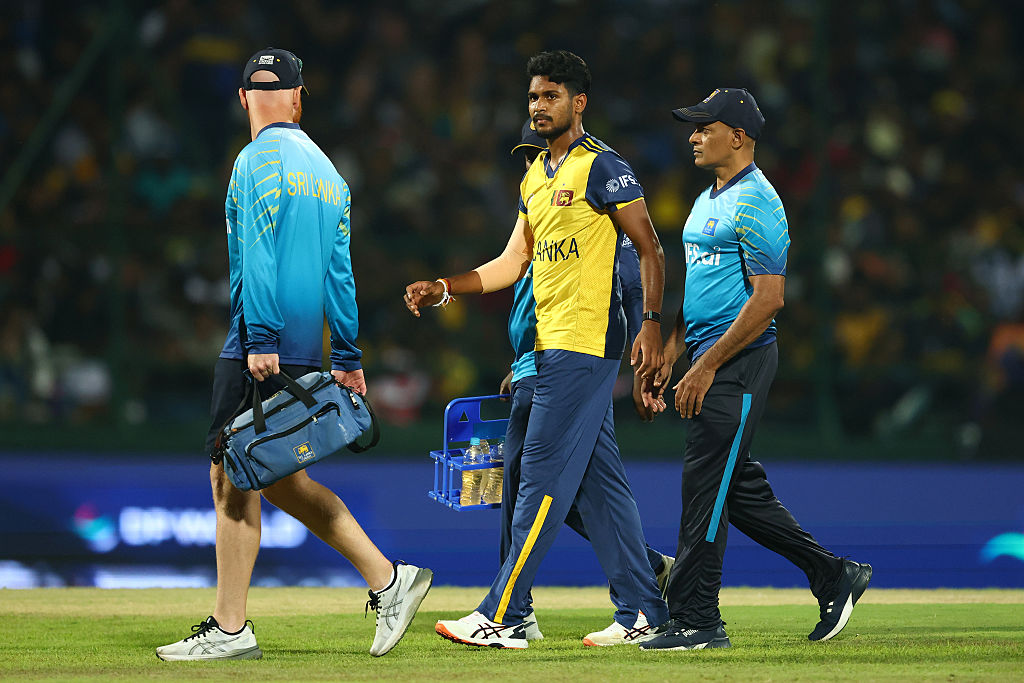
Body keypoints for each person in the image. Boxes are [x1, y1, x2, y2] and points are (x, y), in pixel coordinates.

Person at [156, 48, 432, 661]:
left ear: (243, 99)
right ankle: (389, 581)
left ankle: (231, 629)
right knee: (279, 479)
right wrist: (349, 354)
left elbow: (256, 252)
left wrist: (259, 338)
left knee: (231, 472)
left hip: (259, 344)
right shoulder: (330, 175)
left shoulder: (253, 161)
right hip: (308, 348)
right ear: (299, 98)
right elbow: (340, 273)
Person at [405, 50, 669, 649]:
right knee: (600, 488)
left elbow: (650, 248)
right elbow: (512, 261)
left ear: (579, 102)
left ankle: (504, 614)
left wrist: (650, 325)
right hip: (548, 350)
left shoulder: (603, 167)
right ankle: (643, 612)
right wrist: (446, 287)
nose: (539, 106)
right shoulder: (535, 178)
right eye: (533, 97)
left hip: (583, 346)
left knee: (538, 484)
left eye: (551, 96)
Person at [637, 88, 871, 652]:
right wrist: (673, 349)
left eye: (704, 127)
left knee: (705, 488)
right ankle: (832, 574)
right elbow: (701, 288)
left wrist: (706, 366)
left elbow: (769, 299)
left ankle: (698, 621)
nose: (693, 136)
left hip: (739, 362)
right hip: (708, 357)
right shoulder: (706, 198)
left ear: (738, 136)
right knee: (733, 487)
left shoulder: (759, 201)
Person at [495, 121, 674, 647]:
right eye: (527, 156)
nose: (532, 163)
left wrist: (645, 354)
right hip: (535, 364)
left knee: (534, 484)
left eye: (538, 154)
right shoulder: (538, 218)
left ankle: (510, 610)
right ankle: (641, 590)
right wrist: (521, 358)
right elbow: (526, 294)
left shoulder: (595, 222)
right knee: (575, 482)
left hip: (570, 362)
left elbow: (633, 281)